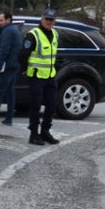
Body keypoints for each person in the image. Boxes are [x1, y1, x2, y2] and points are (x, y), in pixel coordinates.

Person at [21, 8, 60, 145]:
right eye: (47, 19)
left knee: (52, 105)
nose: (49, 22)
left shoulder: (55, 34)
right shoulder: (33, 35)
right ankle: (33, 134)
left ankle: (45, 132)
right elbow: (23, 54)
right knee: (35, 106)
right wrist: (24, 70)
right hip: (36, 76)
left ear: (54, 21)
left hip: (50, 76)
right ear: (42, 19)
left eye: (51, 20)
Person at [0, 11, 22, 126]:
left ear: (8, 20)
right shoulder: (15, 30)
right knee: (10, 93)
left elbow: (4, 49)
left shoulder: (7, 31)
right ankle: (9, 118)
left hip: (7, 65)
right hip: (14, 64)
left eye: (1, 20)